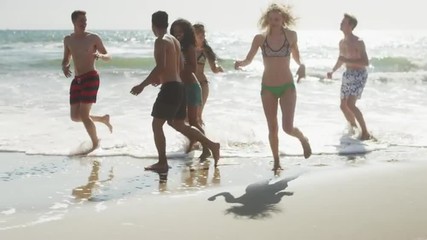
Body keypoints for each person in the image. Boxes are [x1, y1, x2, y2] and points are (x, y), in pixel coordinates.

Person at [130, 11, 220, 173]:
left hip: (171, 88)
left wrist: (142, 85)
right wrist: (161, 77)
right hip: (179, 86)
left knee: (157, 125)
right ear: (166, 23)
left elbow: (161, 66)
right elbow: (177, 67)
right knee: (177, 123)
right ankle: (212, 145)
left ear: (153, 25)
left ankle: (162, 162)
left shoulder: (161, 41)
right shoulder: (175, 42)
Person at [234, 3, 311, 171]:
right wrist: (241, 63)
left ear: (283, 19)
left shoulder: (291, 36)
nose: (274, 22)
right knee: (272, 127)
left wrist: (302, 65)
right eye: (271, 19)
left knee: (287, 127)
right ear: (267, 20)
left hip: (287, 86)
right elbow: (249, 59)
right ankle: (276, 162)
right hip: (268, 88)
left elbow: (297, 57)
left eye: (277, 19)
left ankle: (303, 139)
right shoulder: (260, 38)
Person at [62, 10, 112, 155]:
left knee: (84, 115)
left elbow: (108, 56)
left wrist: (100, 55)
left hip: (91, 77)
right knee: (75, 117)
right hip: (77, 80)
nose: (84, 24)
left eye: (85, 21)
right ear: (74, 22)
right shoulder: (68, 40)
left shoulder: (93, 38)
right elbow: (66, 58)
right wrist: (64, 66)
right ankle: (102, 119)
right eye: (81, 21)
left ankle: (95, 145)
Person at [170, 19, 212, 159]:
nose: (177, 34)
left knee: (193, 121)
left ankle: (208, 147)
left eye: (180, 32)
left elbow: (192, 68)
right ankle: (196, 142)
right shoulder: (178, 46)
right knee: (183, 121)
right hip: (183, 87)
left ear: (186, 32)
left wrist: (176, 67)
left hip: (193, 87)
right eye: (175, 32)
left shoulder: (189, 47)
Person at [327, 13, 371, 140]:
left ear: (350, 25)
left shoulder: (358, 42)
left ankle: (365, 132)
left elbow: (365, 62)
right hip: (347, 75)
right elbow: (341, 60)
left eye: (343, 22)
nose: (340, 24)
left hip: (359, 75)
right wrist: (333, 71)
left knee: (351, 104)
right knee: (343, 106)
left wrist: (347, 60)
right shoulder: (341, 42)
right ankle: (354, 130)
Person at [193, 23, 224, 124]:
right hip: (189, 84)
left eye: (203, 34)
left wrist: (218, 69)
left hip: (202, 84)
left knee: (198, 116)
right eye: (199, 34)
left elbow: (213, 69)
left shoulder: (206, 50)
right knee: (188, 116)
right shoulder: (188, 49)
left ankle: (202, 138)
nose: (202, 36)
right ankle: (190, 138)